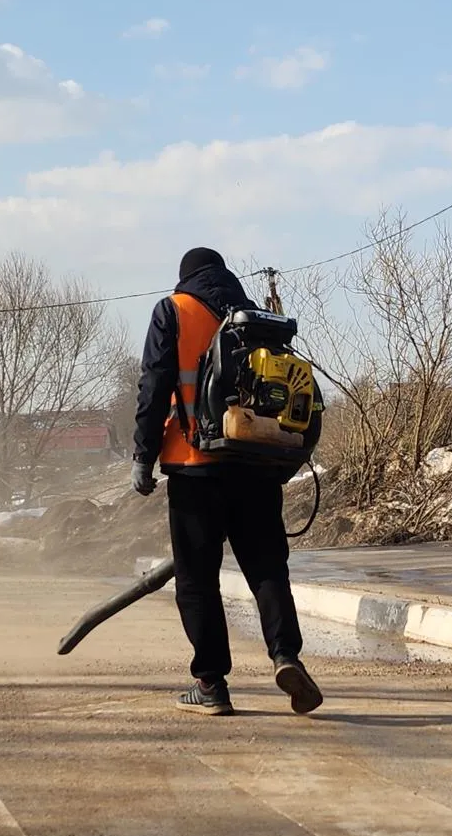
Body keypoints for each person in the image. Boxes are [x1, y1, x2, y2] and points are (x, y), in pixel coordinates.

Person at [132, 247, 322, 717]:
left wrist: (143, 457)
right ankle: (286, 655)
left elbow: (154, 386)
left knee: (198, 580)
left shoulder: (173, 310)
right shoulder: (255, 319)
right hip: (256, 464)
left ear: (185, 278)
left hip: (195, 468)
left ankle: (212, 683)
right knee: (267, 570)